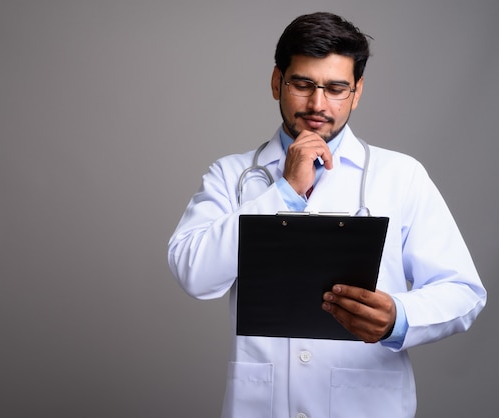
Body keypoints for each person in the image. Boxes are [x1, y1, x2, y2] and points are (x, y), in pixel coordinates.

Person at [167, 11, 486, 418]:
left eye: (337, 89)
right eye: (303, 84)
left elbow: (463, 291)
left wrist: (398, 318)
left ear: (357, 92)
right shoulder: (231, 175)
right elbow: (193, 273)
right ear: (276, 81)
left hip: (366, 402)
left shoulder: (402, 175)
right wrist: (283, 191)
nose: (318, 105)